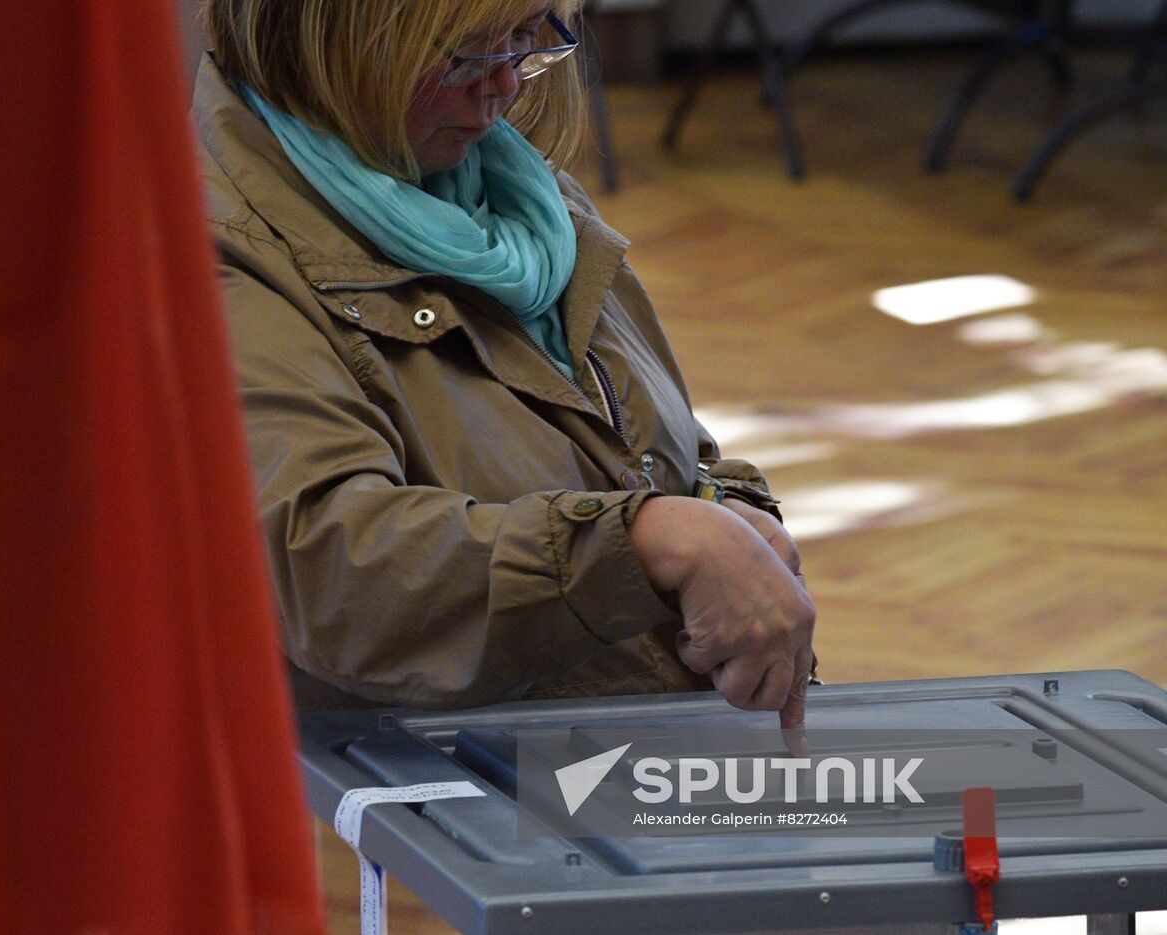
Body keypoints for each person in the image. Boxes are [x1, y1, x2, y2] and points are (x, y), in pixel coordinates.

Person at [195, 0, 816, 736]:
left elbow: (635, 445)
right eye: (464, 50)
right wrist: (647, 543)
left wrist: (728, 514)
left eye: (526, 36)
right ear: (328, 33)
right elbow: (329, 574)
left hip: (621, 758)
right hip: (444, 785)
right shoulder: (217, 258)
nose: (506, 84)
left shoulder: (524, 201)